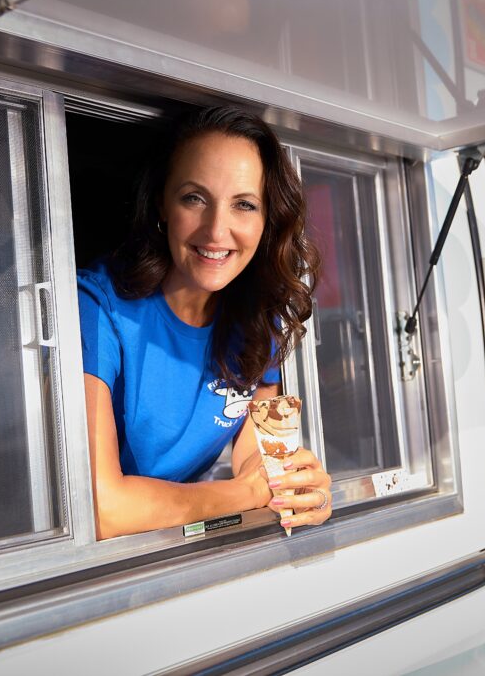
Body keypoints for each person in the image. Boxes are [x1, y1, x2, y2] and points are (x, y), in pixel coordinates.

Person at [78, 106, 331, 540]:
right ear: (161, 202)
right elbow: (103, 510)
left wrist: (303, 492)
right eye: (194, 198)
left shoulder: (259, 316)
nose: (217, 230)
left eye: (244, 205)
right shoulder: (98, 307)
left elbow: (262, 460)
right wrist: (242, 495)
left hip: (174, 547)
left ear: (268, 219)